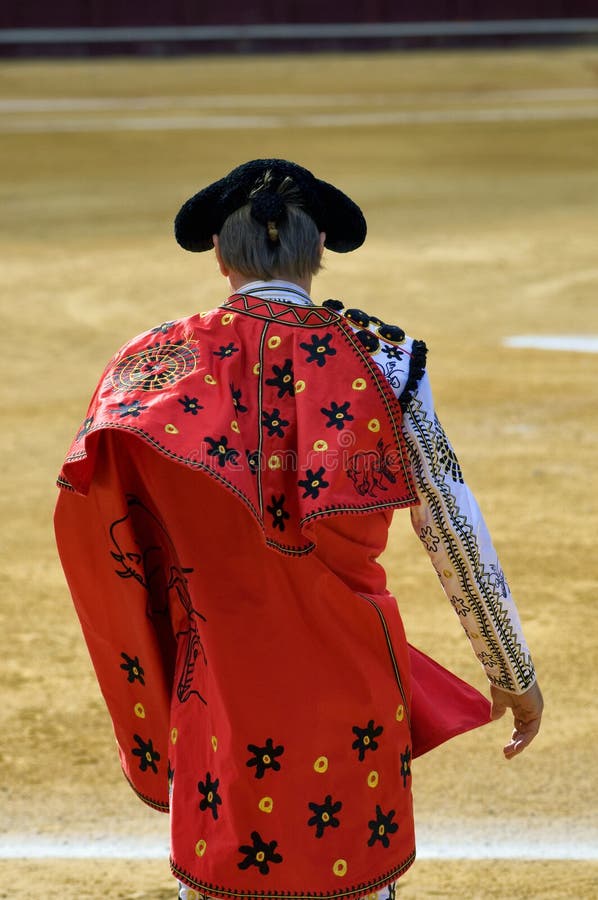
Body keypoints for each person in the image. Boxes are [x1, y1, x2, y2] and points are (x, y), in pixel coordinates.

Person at [54, 159, 543, 900]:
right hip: (349, 679)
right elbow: (450, 525)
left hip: (216, 680)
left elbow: (104, 518)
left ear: (220, 255)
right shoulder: (387, 359)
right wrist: (512, 671)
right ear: (319, 252)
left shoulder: (151, 367)